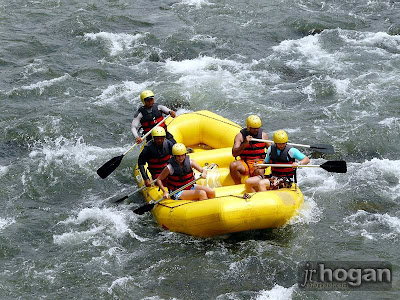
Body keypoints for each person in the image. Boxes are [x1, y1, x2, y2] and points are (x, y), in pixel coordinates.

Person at [245, 129, 310, 192]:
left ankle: (266, 201)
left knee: (262, 183)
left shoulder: (291, 151)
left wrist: (298, 164)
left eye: (283, 143)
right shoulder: (271, 149)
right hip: (273, 176)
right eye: (279, 144)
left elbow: (306, 159)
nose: (281, 146)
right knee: (249, 182)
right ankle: (255, 199)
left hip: (286, 179)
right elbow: (266, 163)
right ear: (275, 143)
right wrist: (259, 166)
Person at [229, 115, 270, 184]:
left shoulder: (263, 136)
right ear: (248, 127)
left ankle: (261, 186)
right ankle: (238, 185)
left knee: (259, 171)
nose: (256, 130)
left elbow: (271, 150)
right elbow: (234, 153)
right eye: (253, 128)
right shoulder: (240, 136)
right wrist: (245, 143)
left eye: (257, 128)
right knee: (233, 165)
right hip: (245, 162)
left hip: (259, 162)